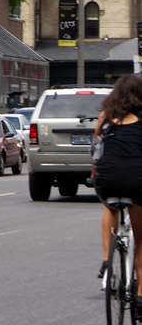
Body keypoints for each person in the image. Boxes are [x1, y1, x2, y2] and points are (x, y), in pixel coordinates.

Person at [93, 74, 142, 314]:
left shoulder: (105, 117)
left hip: (108, 179)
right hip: (136, 179)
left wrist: (96, 173)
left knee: (110, 207)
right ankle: (141, 294)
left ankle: (106, 258)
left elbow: (96, 149)